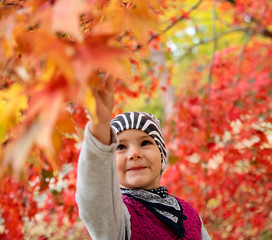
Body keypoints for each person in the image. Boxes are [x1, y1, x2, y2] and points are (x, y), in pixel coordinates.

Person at [76, 77, 211, 239]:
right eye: (120, 147)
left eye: (145, 143)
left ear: (161, 154)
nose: (134, 153)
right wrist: (99, 126)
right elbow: (95, 195)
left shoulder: (190, 214)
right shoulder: (118, 218)